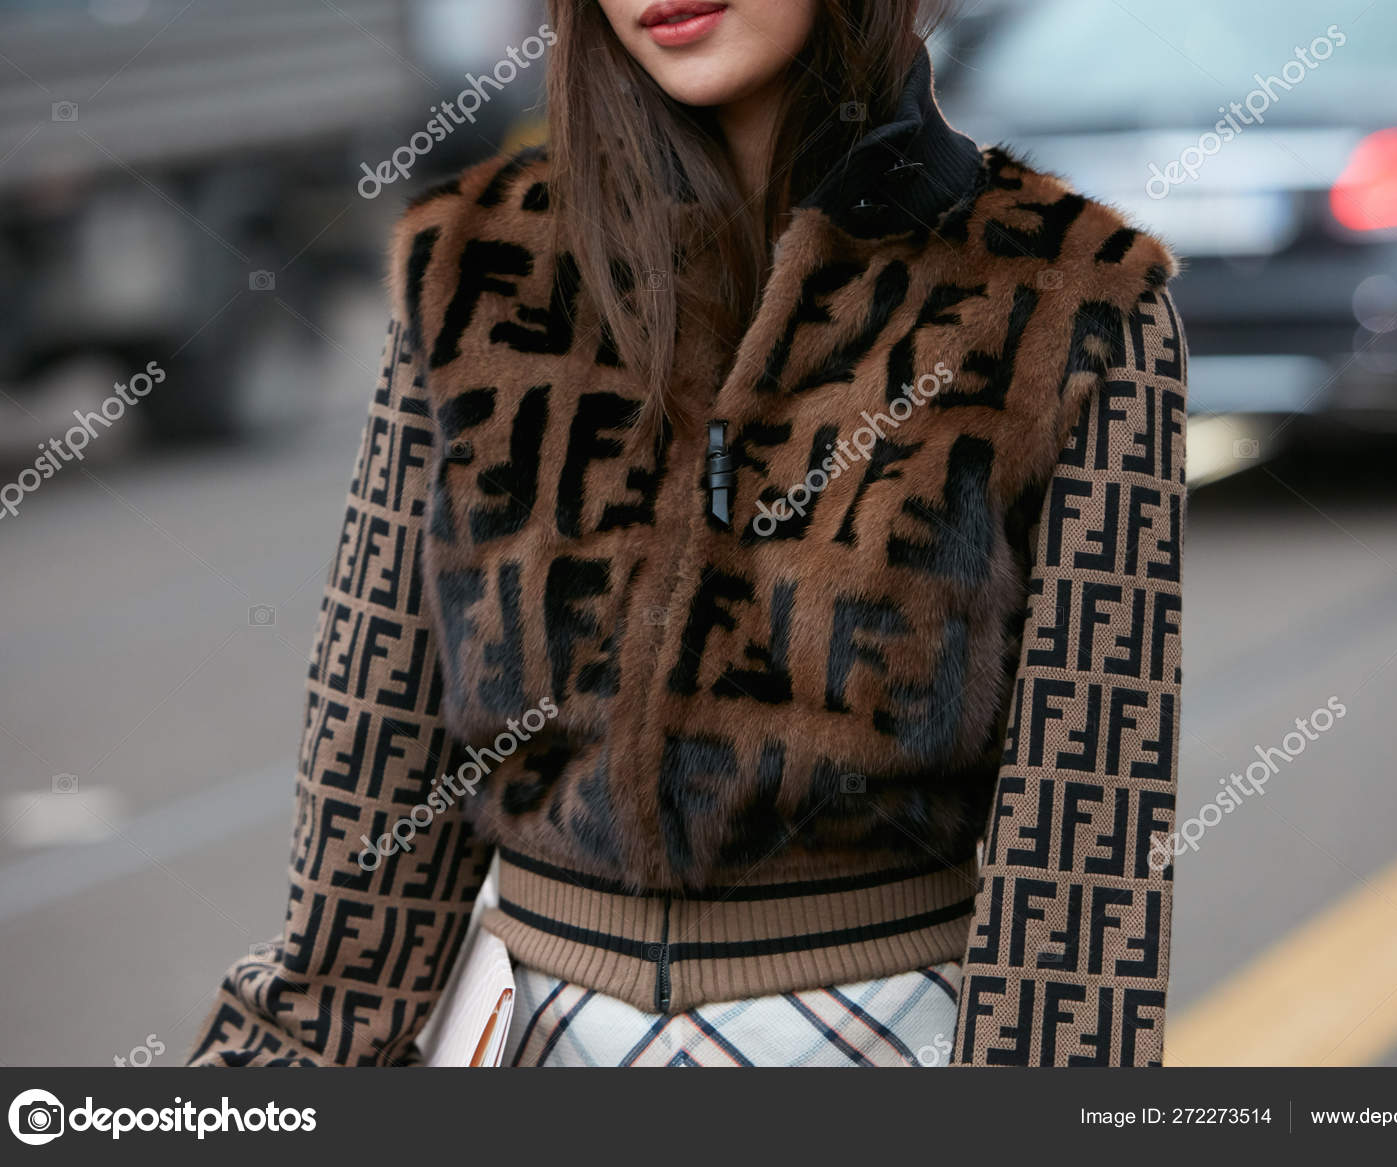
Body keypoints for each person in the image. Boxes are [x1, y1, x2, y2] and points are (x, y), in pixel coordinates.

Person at [187, 0, 1187, 1068]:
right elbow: (371, 775)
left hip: (887, 1040)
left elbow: (1087, 859)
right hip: (528, 1035)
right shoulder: (475, 268)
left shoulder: (1072, 299)